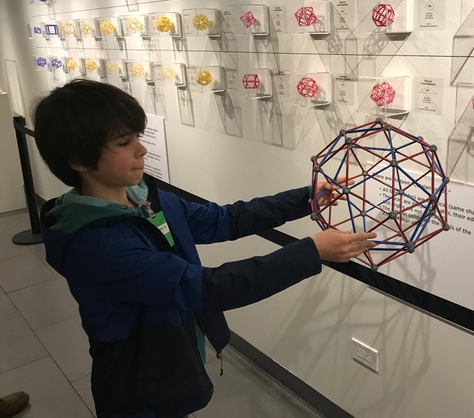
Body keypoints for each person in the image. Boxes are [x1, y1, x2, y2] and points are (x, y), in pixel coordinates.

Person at [33, 79, 376, 418]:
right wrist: (311, 252)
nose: (142, 149)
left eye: (138, 136)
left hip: (172, 351)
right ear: (79, 159)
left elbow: (225, 220)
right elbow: (205, 288)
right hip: (137, 378)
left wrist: (305, 198)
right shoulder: (98, 246)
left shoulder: (150, 200)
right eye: (124, 142)